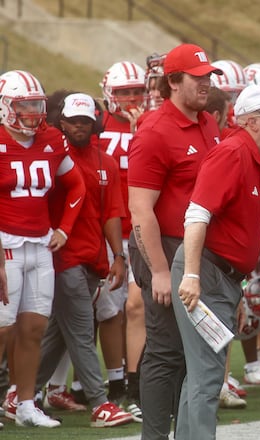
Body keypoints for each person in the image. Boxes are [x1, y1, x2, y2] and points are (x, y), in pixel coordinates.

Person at [172, 84, 260, 440]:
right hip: (206, 273)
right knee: (208, 376)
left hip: (218, 276)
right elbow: (197, 214)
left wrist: (237, 288)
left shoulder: (247, 155)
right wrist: (193, 276)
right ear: (252, 122)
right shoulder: (232, 153)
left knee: (203, 375)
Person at [127, 43, 223, 439]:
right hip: (165, 246)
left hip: (195, 246)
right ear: (172, 81)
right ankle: (154, 436)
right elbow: (140, 210)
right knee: (166, 351)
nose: (206, 83)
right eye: (197, 77)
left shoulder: (207, 123)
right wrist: (161, 271)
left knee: (192, 351)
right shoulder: (154, 132)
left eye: (208, 76)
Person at [34, 93, 134, 428]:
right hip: (60, 255)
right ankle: (99, 402)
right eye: (73, 121)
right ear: (61, 123)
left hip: (93, 256)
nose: (79, 127)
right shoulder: (51, 158)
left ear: (95, 123)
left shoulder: (106, 162)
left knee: (58, 334)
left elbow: (112, 214)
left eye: (85, 121)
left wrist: (118, 256)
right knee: (80, 326)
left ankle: (20, 395)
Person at [0, 70, 86, 428]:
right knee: (3, 329)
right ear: (5, 106)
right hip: (6, 245)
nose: (34, 112)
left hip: (39, 245)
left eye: (37, 103)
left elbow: (76, 185)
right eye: (25, 105)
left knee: (34, 328)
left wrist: (64, 229)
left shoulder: (50, 139)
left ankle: (24, 404)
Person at [97, 60, 148, 417]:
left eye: (136, 90)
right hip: (107, 229)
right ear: (108, 94)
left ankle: (136, 382)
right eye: (123, 92)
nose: (131, 98)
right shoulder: (95, 124)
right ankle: (111, 382)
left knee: (136, 307)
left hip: (144, 229)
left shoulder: (152, 123)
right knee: (107, 310)